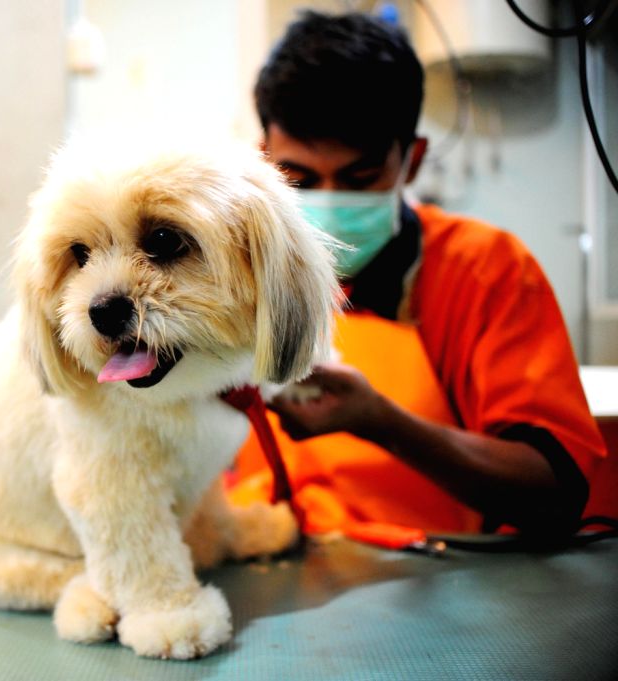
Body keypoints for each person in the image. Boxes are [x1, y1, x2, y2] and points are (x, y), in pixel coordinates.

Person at [230, 11, 607, 541]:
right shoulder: (230, 269)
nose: (331, 203)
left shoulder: (484, 270)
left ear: (413, 160)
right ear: (263, 157)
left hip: (433, 578)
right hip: (265, 557)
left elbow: (554, 490)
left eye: (361, 178)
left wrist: (382, 423)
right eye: (300, 178)